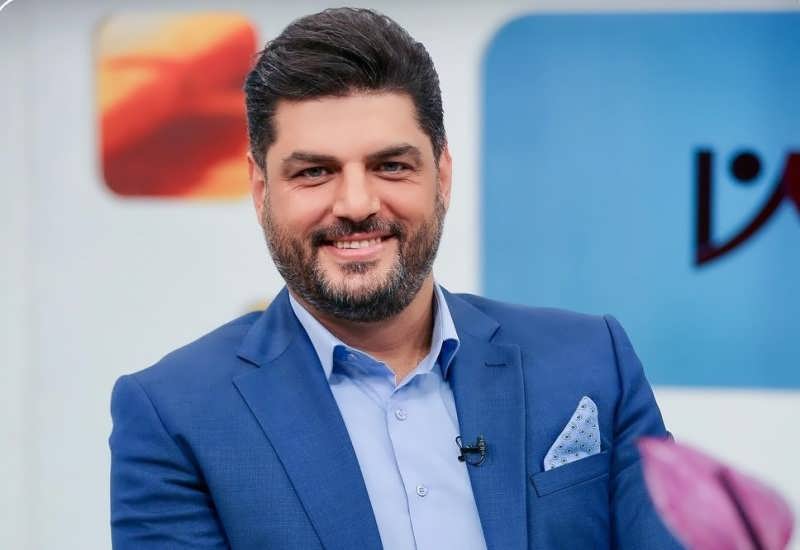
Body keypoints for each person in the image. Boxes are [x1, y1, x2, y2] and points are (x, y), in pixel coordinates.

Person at [109, 7, 682, 550]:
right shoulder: (175, 416)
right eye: (315, 172)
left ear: (442, 175)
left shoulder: (592, 361)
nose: (357, 204)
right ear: (262, 191)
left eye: (391, 166)